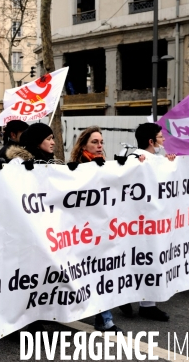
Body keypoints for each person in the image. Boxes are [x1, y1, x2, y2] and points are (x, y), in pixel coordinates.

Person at [69, 126, 122, 333]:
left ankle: (105, 319)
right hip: (82, 234)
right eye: (94, 142)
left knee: (102, 274)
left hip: (102, 232)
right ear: (83, 145)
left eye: (101, 142)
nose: (99, 146)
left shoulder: (105, 167)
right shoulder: (75, 168)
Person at [118, 123, 172, 322]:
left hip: (152, 223)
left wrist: (170, 166)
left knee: (150, 260)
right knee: (134, 261)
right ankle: (124, 296)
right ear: (151, 141)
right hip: (135, 224)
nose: (163, 140)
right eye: (160, 137)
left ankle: (147, 305)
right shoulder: (133, 160)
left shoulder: (156, 160)